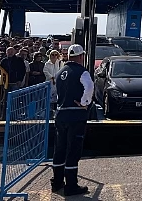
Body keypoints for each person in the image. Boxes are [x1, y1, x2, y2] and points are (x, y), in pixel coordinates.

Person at [50, 44, 94, 196]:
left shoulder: (60, 72)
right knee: (73, 151)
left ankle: (56, 182)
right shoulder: (82, 72)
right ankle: (71, 185)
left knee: (59, 149)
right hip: (75, 116)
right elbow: (89, 87)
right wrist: (84, 102)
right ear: (81, 56)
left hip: (60, 115)